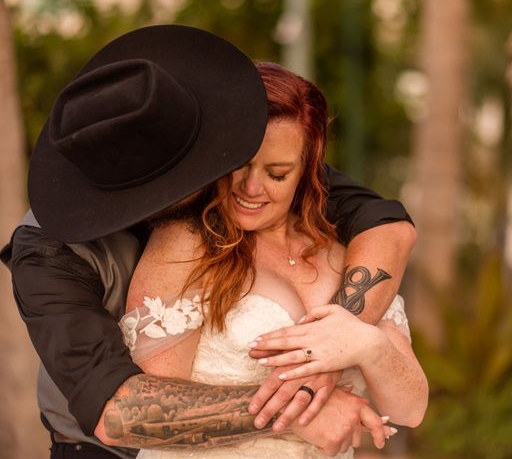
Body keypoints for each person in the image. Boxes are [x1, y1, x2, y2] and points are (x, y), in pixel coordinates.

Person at [1, 25, 417, 459]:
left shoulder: (234, 164)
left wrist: (334, 344)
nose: (235, 183)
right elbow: (116, 414)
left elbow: (387, 227)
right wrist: (296, 412)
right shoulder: (45, 253)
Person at [109, 61, 427, 459]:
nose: (251, 187)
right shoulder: (186, 244)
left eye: (277, 173)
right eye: (239, 164)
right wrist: (295, 413)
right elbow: (146, 416)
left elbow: (410, 409)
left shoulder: (342, 250)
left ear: (307, 171)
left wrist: (367, 345)